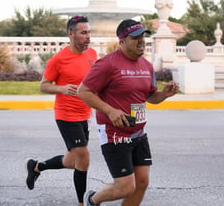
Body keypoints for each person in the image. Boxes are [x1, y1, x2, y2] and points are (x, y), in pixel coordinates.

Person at [77, 19, 179, 206]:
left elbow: (150, 96)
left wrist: (164, 94)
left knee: (141, 182)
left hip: (139, 133)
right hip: (114, 133)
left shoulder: (146, 66)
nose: (141, 41)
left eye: (142, 36)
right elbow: (82, 91)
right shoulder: (107, 64)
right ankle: (92, 199)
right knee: (125, 187)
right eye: (135, 38)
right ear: (122, 42)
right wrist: (110, 110)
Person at [25, 15, 97, 206]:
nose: (88, 36)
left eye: (89, 32)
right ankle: (83, 203)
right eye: (83, 33)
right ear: (71, 34)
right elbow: (43, 85)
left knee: (72, 161)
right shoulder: (58, 60)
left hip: (85, 114)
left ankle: (37, 167)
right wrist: (62, 88)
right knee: (83, 157)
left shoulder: (92, 55)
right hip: (67, 115)